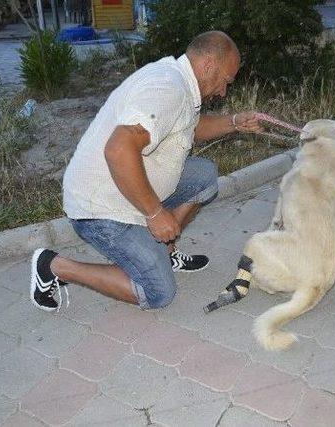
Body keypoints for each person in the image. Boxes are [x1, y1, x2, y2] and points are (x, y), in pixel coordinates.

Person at [29, 30, 263, 311]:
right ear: (209, 65)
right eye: (226, 81)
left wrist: (235, 122)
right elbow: (118, 149)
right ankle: (54, 266)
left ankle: (163, 251)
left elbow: (190, 126)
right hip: (101, 208)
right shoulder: (168, 88)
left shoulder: (181, 82)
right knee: (159, 293)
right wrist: (155, 213)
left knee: (204, 177)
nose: (224, 91)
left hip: (128, 187)